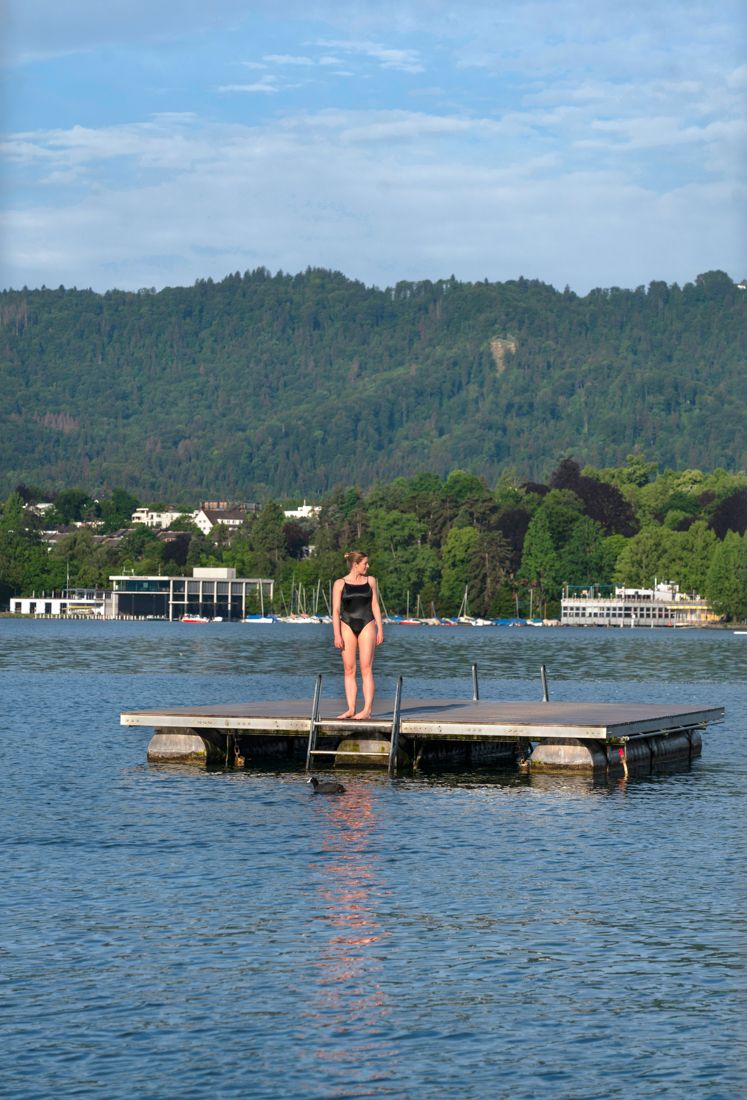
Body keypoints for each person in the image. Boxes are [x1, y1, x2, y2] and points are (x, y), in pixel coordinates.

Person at [332, 551, 384, 719]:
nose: (368, 566)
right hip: (346, 624)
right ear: (355, 565)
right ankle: (351, 708)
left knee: (366, 668)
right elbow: (336, 611)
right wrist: (336, 635)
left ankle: (367, 709)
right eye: (365, 563)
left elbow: (375, 605)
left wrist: (380, 628)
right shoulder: (340, 583)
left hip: (367, 623)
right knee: (349, 669)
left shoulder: (371, 581)